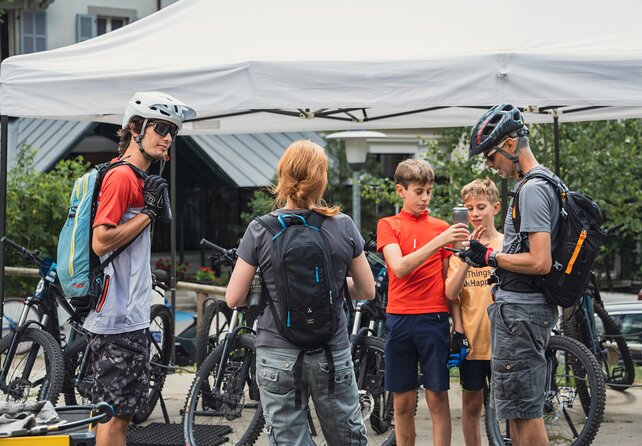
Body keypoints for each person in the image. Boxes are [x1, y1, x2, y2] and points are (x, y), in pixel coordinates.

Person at [225, 140, 375, 445]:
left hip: (277, 353)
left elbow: (234, 298)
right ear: (321, 179)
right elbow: (366, 290)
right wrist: (332, 287)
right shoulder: (343, 225)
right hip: (331, 353)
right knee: (347, 439)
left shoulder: (259, 229)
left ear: (282, 176)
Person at [86, 91, 195, 446]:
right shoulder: (123, 177)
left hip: (125, 315)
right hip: (118, 318)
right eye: (161, 127)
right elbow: (101, 241)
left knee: (109, 413)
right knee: (118, 419)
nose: (168, 138)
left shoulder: (139, 178)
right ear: (135, 128)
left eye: (173, 132)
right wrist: (148, 213)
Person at [459, 104, 561, 446]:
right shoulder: (545, 183)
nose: (490, 164)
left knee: (525, 413)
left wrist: (491, 256)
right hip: (520, 311)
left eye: (491, 155)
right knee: (517, 411)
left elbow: (540, 261)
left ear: (511, 145)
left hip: (520, 313)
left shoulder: (532, 190)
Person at [376, 158, 469, 446]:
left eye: (429, 191)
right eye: (419, 191)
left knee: (437, 397)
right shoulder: (388, 224)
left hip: (434, 319)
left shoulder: (441, 227)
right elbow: (399, 267)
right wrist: (440, 241)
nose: (425, 198)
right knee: (402, 402)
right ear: (401, 191)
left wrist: (459, 324)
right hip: (400, 318)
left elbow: (448, 284)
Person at [444, 178, 503, 446]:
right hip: (473, 340)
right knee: (471, 405)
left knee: (508, 408)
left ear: (496, 208)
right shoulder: (459, 249)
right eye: (469, 208)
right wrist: (468, 260)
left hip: (503, 340)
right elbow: (450, 294)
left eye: (481, 207)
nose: (475, 214)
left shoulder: (506, 245)